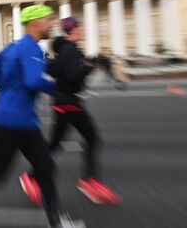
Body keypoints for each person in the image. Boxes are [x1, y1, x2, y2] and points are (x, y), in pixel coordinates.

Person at [0, 5, 85, 228]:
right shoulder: (32, 48)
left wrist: (8, 90)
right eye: (48, 20)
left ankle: (56, 221)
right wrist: (57, 88)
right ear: (35, 23)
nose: (52, 24)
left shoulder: (15, 46)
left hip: (14, 118)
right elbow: (33, 81)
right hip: (17, 121)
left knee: (44, 167)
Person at [19, 17, 121, 206]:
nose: (82, 31)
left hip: (61, 101)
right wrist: (89, 67)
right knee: (92, 137)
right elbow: (73, 76)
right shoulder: (71, 49)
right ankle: (89, 181)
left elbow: (59, 71)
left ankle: (31, 177)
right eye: (80, 27)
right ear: (73, 30)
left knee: (55, 144)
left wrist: (87, 64)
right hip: (69, 101)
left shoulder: (63, 50)